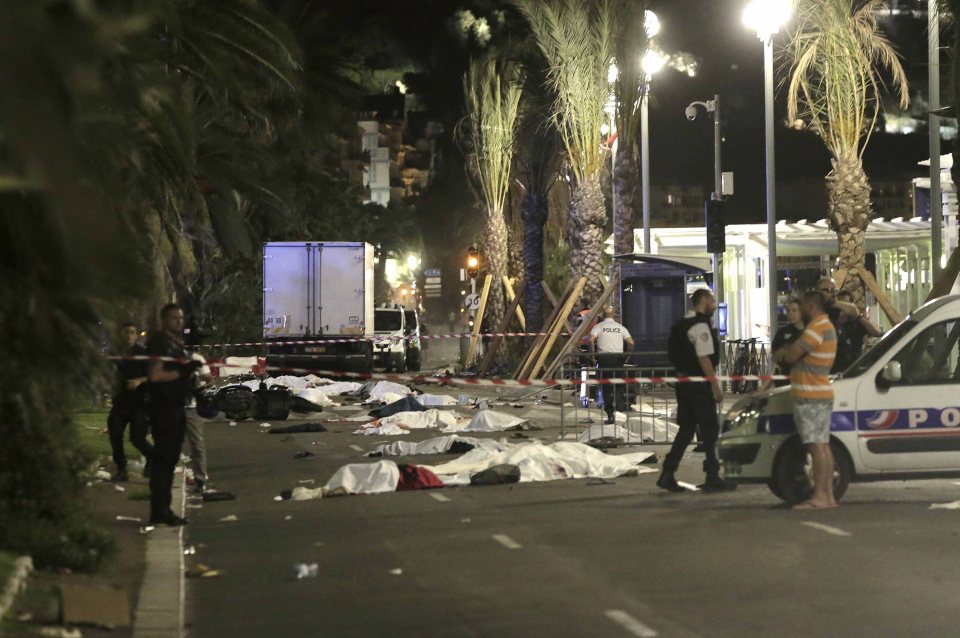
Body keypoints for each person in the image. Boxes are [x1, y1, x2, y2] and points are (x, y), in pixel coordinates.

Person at [658, 289, 735, 492]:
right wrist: (714, 385)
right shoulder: (700, 325)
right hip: (699, 385)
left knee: (686, 430)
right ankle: (712, 476)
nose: (714, 304)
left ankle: (668, 473)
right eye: (711, 301)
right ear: (702, 301)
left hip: (683, 383)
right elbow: (704, 358)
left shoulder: (680, 325)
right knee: (709, 430)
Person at [773, 289, 838, 510]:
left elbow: (790, 356)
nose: (799, 309)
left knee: (815, 446)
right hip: (819, 393)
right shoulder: (826, 326)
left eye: (801, 305)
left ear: (811, 306)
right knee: (823, 445)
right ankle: (827, 495)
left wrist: (786, 352)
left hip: (810, 394)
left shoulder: (817, 327)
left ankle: (819, 496)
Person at [145, 303, 200, 526]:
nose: (179, 322)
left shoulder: (175, 343)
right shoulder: (160, 342)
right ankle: (159, 509)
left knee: (170, 460)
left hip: (177, 405)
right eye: (174, 318)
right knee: (163, 460)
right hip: (164, 407)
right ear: (164, 319)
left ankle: (164, 508)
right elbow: (156, 376)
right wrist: (182, 371)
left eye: (180, 318)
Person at [107, 322, 153, 482]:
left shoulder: (142, 353)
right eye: (126, 332)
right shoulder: (115, 353)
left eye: (132, 332)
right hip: (120, 402)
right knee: (115, 434)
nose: (128, 335)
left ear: (136, 335)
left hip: (138, 403)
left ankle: (152, 459)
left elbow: (154, 375)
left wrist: (140, 381)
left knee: (137, 438)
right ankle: (121, 469)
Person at [814, 276, 881, 373]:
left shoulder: (855, 322)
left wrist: (858, 316)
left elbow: (876, 332)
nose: (833, 293)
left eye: (834, 290)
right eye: (829, 290)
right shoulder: (825, 316)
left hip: (853, 372)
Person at [589, 306, 635, 424]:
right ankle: (620, 409)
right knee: (618, 385)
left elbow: (590, 340)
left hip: (604, 359)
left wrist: (593, 355)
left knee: (606, 387)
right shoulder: (620, 328)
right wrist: (627, 356)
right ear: (614, 315)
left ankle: (610, 414)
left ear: (603, 315)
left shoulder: (598, 326)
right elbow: (631, 342)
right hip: (618, 358)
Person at [183, 352, 213, 494]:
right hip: (171, 406)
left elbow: (209, 379)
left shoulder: (195, 358)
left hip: (191, 407)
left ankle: (200, 479)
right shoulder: (165, 355)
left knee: (197, 444)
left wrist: (196, 383)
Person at [832, 290, 882, 372]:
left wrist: (858, 316)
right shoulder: (832, 322)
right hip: (837, 368)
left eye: (847, 304)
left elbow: (877, 332)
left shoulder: (858, 322)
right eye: (842, 304)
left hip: (855, 366)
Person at [762, 299, 805, 390]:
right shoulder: (782, 332)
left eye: (794, 311)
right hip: (785, 379)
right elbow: (774, 357)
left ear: (801, 312)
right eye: (788, 311)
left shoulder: (809, 331)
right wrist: (785, 349)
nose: (790, 314)